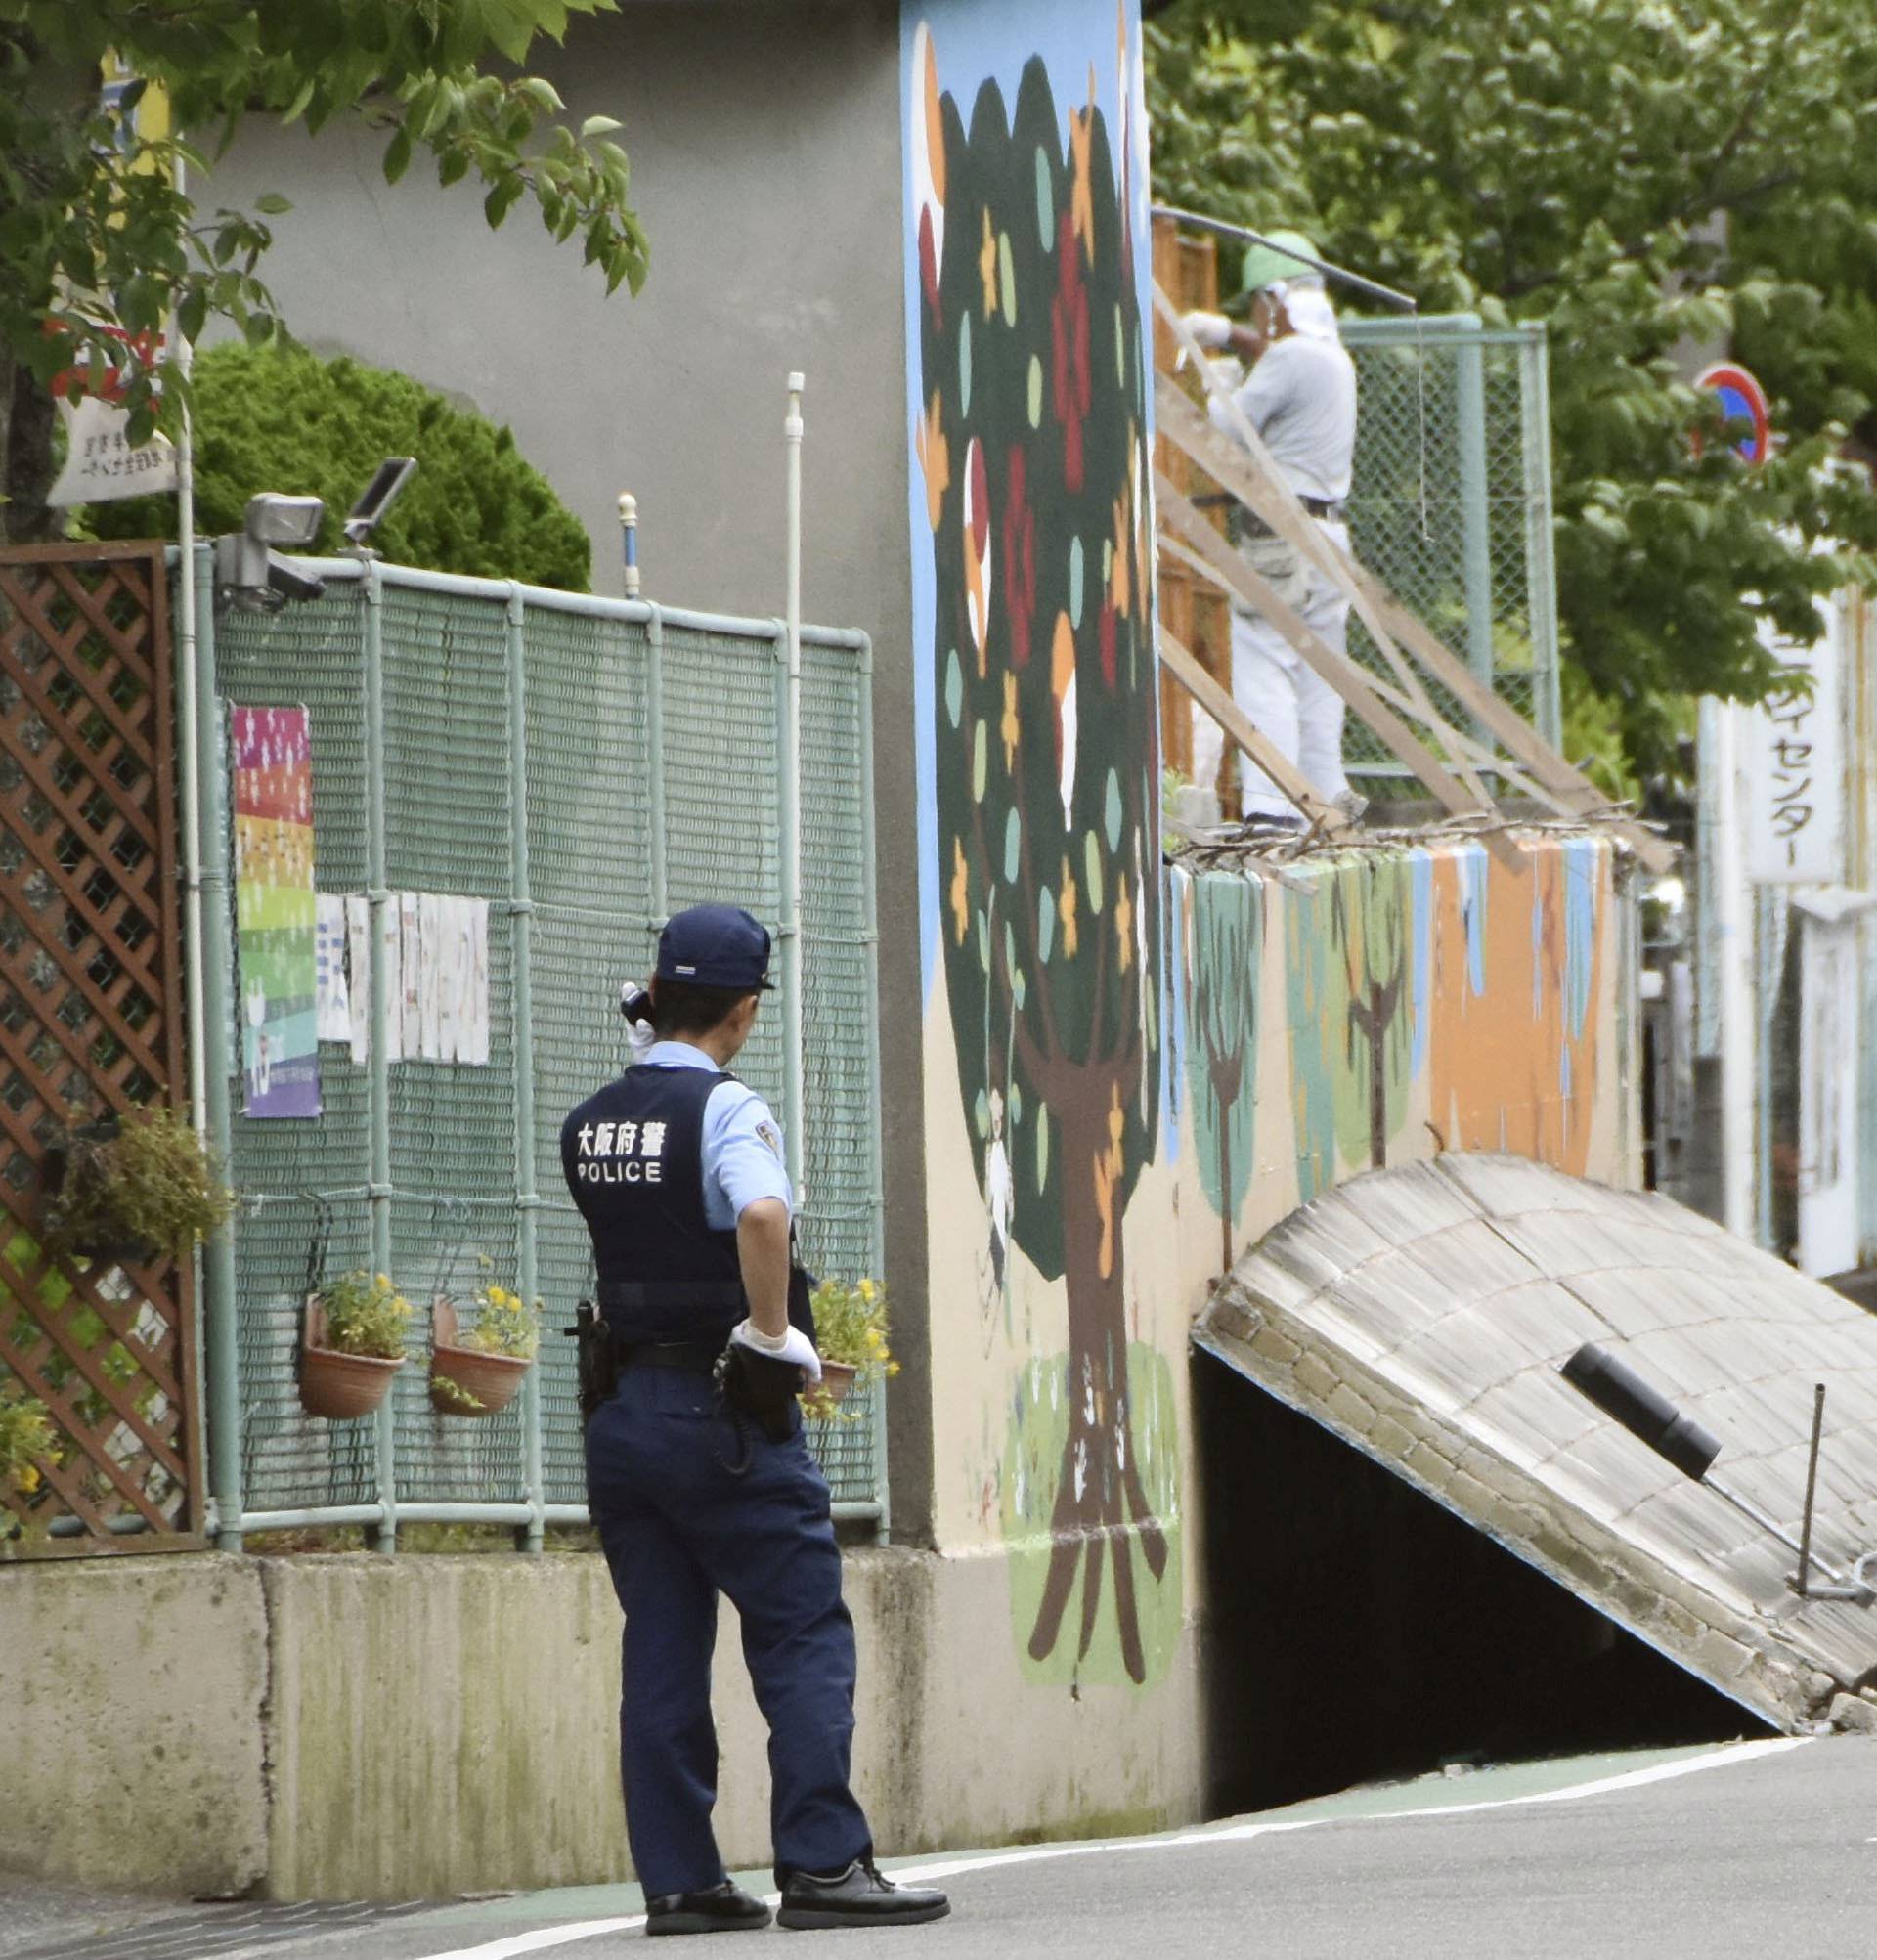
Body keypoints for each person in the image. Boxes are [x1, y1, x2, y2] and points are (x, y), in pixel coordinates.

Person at [562, 902, 948, 1936]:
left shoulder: (593, 1117)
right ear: (742, 1011)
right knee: (801, 1630)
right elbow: (763, 1213)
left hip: (622, 1417)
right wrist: (773, 1339)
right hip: (721, 1416)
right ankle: (823, 1865)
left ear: (655, 993)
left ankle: (681, 1881)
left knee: (663, 1646)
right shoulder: (730, 1111)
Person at [1185, 229, 1366, 828]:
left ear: (1275, 296)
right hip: (1328, 536)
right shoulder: (1333, 359)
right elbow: (1272, 357)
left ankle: (1272, 807)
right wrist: (1233, 338)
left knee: (1264, 660)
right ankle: (1323, 795)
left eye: (1257, 307)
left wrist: (1214, 364)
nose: (1257, 320)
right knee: (1320, 676)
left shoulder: (1289, 359)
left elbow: (1225, 425)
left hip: (1281, 539)